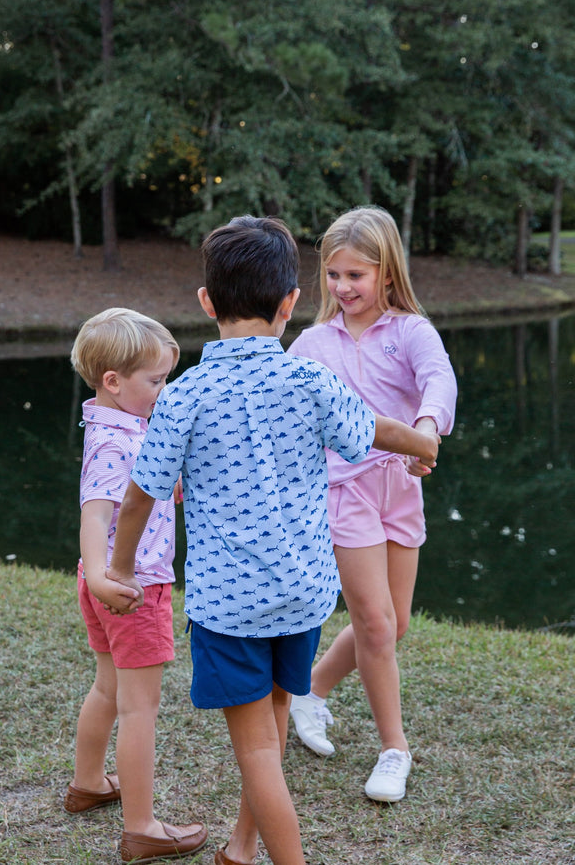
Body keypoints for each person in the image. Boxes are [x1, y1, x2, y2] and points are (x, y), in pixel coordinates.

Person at [103, 216, 439, 865]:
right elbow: (371, 428)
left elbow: (143, 491)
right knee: (277, 718)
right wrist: (423, 441)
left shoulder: (186, 393)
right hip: (304, 593)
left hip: (231, 606)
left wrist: (120, 566)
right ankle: (240, 846)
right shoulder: (310, 380)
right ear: (290, 304)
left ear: (206, 303)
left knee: (257, 749)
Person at [288, 205, 457, 804]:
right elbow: (285, 413)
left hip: (401, 484)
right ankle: (395, 750)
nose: (342, 288)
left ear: (386, 272)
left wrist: (426, 428)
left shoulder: (412, 331)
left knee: (395, 622)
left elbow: (438, 379)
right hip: (343, 490)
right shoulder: (311, 343)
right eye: (333, 275)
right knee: (375, 622)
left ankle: (309, 689)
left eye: (355, 276)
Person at [64, 307, 208, 863]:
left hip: (103, 584)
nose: (164, 390)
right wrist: (104, 574)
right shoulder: (114, 443)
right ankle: (143, 826)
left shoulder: (114, 424)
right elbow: (95, 512)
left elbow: (132, 493)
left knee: (108, 689)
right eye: (156, 380)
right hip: (132, 588)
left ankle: (89, 783)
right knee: (140, 708)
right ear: (113, 381)